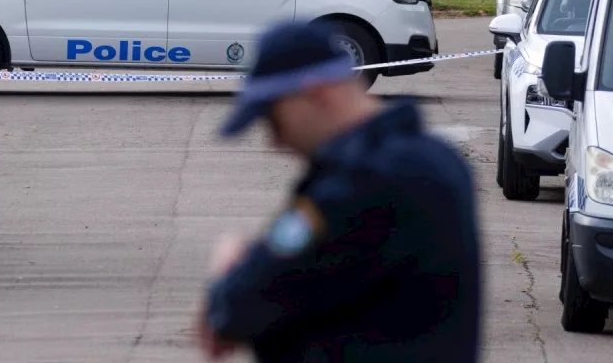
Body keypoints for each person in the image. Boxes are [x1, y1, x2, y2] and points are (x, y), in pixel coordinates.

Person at [196, 20, 480, 362]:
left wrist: (227, 267)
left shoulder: (364, 183)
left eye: (273, 118)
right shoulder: (436, 158)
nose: (275, 142)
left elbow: (241, 307)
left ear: (318, 93)